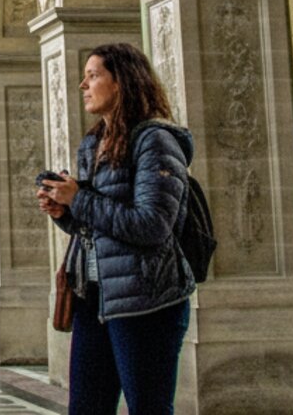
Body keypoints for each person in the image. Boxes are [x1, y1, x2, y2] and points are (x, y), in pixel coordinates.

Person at [36, 42, 194, 415]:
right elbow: (97, 227)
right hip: (95, 297)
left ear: (120, 82)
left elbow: (152, 225)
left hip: (147, 301)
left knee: (148, 408)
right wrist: (64, 211)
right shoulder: (94, 142)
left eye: (93, 76)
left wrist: (80, 199)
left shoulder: (154, 141)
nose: (83, 84)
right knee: (86, 408)